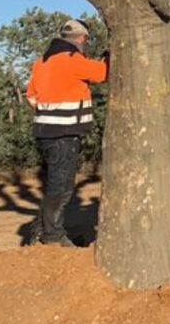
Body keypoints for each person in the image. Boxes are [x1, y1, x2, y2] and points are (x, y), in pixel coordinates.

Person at [25, 19, 108, 247]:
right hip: (64, 133)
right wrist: (109, 56)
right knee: (62, 187)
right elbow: (103, 73)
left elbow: (31, 96)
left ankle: (41, 231)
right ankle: (52, 236)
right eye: (86, 40)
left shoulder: (40, 62)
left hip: (45, 132)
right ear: (81, 38)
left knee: (55, 182)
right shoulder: (73, 59)